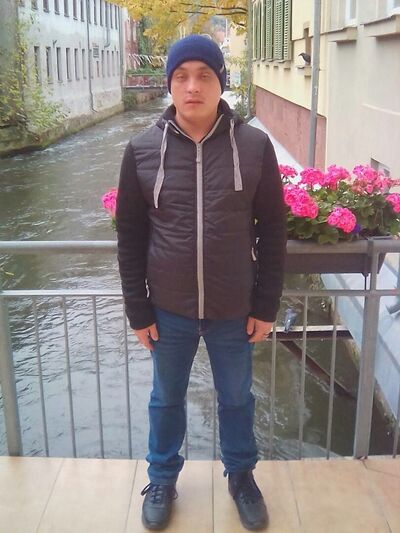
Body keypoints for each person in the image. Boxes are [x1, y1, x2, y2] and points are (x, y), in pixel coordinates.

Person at [116, 34, 286, 531]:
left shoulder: (253, 146)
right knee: (165, 399)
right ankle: (162, 478)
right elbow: (130, 235)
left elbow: (273, 230)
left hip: (235, 307)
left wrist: (266, 304)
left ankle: (241, 476)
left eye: (204, 76)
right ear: (169, 85)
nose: (193, 86)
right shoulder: (142, 150)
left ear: (220, 83)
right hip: (168, 309)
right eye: (182, 76)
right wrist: (138, 309)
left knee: (237, 398)